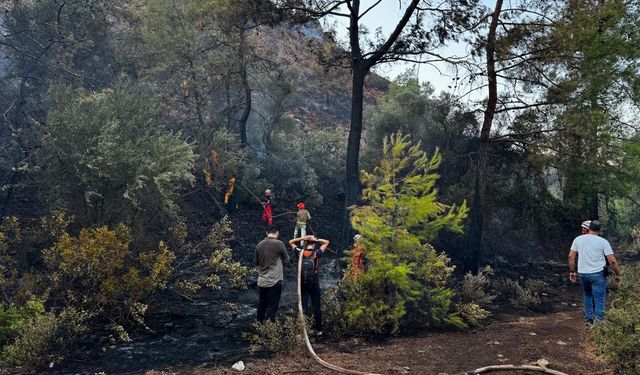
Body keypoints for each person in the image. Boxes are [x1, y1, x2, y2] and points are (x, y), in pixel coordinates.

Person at [568, 219, 621, 325]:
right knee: (599, 298)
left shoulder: (578, 239)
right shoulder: (603, 242)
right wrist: (617, 274)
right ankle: (599, 322)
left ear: (589, 228)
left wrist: (572, 271)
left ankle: (589, 320)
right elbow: (612, 261)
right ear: (600, 230)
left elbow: (571, 256)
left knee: (587, 295)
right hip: (598, 274)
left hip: (583, 274)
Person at [289, 234, 329, 336]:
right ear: (314, 244)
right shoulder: (316, 253)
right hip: (314, 280)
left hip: (303, 281)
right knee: (316, 305)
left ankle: (305, 329)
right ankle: (319, 330)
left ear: (306, 243)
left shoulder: (300, 252)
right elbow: (326, 242)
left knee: (304, 305)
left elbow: (291, 242)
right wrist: (316, 239)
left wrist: (303, 238)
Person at [255, 224, 289, 322]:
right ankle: (270, 329)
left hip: (262, 281)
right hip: (274, 280)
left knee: (262, 304)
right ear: (277, 233)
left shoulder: (259, 245)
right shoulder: (279, 244)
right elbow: (287, 260)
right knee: (272, 306)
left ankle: (260, 325)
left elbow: (257, 263)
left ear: (266, 233)